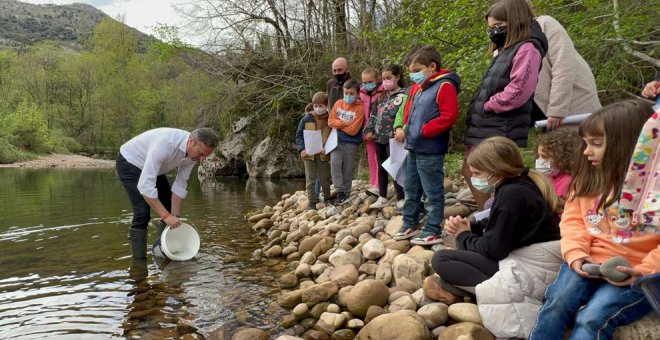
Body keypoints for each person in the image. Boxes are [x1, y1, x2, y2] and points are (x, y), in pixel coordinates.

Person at [530, 99, 658, 340]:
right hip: (588, 260)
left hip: (638, 270)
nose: (586, 151)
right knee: (557, 303)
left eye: (596, 144)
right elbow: (573, 221)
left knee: (593, 317)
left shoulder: (654, 190)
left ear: (629, 143)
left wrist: (645, 270)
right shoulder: (587, 180)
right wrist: (576, 254)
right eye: (586, 143)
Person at [428, 136, 561, 304]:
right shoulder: (521, 182)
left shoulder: (511, 194)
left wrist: (463, 235)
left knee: (441, 259)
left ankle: (500, 292)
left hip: (531, 268)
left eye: (477, 173)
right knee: (463, 252)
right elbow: (502, 224)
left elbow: (494, 249)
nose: (474, 178)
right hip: (534, 260)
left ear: (497, 170)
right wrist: (471, 227)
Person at [464, 0, 548, 211]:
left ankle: (497, 218)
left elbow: (520, 90)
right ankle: (489, 216)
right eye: (491, 27)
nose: (494, 31)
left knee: (495, 177)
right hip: (488, 126)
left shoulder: (527, 48)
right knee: (473, 170)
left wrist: (490, 104)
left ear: (515, 21)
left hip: (502, 126)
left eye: (498, 26)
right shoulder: (505, 50)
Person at [392, 45, 460, 246]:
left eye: (417, 70)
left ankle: (433, 229)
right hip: (414, 146)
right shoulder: (422, 88)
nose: (413, 76)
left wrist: (425, 130)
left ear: (432, 67)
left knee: (432, 191)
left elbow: (449, 116)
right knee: (411, 188)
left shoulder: (444, 85)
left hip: (430, 148)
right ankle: (410, 222)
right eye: (411, 72)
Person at [115, 127, 219, 259]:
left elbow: (180, 184)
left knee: (170, 210)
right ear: (191, 141)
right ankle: (139, 263)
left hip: (154, 168)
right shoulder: (165, 144)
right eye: (201, 153)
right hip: (130, 162)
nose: (202, 159)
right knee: (142, 212)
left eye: (206, 156)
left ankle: (161, 249)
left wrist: (175, 217)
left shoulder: (194, 154)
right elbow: (146, 187)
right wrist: (166, 217)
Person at [533, 14, 601, 129]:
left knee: (588, 142)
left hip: (574, 109)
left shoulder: (544, 24)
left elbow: (563, 67)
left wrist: (557, 110)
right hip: (543, 115)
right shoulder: (503, 42)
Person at [364, 64, 408, 209]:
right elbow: (373, 115)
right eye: (383, 78)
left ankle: (401, 196)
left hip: (393, 138)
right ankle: (382, 196)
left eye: (388, 78)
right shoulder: (381, 97)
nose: (386, 81)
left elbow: (405, 116)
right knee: (382, 166)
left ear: (397, 77)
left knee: (395, 165)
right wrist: (369, 129)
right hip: (378, 136)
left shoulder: (404, 95)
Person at [328, 79, 365, 205]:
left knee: (347, 169)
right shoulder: (338, 103)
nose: (348, 96)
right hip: (335, 140)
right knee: (335, 166)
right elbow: (330, 121)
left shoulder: (360, 108)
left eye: (351, 93)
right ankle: (339, 191)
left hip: (350, 142)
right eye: (346, 93)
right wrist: (344, 123)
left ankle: (346, 193)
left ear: (357, 93)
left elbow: (354, 130)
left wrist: (339, 125)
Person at [295, 92, 332, 211]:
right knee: (310, 178)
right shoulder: (306, 119)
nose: (318, 108)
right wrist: (302, 149)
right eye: (315, 105)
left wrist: (328, 148)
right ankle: (311, 202)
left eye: (321, 105)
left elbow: (334, 136)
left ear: (326, 106)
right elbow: (299, 135)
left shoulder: (330, 119)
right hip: (309, 154)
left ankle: (327, 198)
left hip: (323, 154)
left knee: (325, 177)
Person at [535, 127, 580, 203]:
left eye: (544, 157)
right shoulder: (549, 176)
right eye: (539, 155)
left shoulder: (570, 182)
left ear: (562, 158)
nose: (539, 160)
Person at [360, 67, 385, 197]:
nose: (367, 84)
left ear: (377, 79)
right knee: (371, 158)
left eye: (370, 81)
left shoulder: (383, 92)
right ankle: (373, 183)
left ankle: (379, 184)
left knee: (379, 157)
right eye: (364, 82)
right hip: (366, 131)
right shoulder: (361, 94)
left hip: (380, 130)